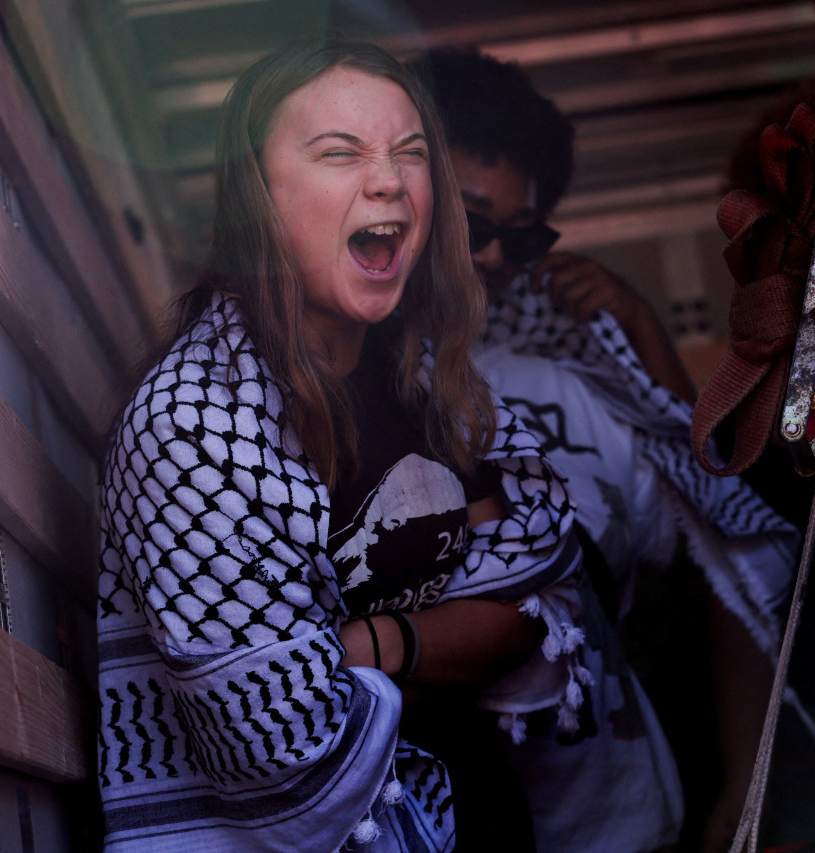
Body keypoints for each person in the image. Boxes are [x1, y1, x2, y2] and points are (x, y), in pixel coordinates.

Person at [96, 39, 587, 852]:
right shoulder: (190, 424)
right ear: (256, 192)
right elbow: (281, 738)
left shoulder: (427, 377)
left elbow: (527, 611)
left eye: (410, 152)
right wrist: (439, 643)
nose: (390, 179)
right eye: (340, 151)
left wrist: (367, 645)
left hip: (480, 816)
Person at [418, 46, 801, 853]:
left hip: (620, 802)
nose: (491, 257)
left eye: (519, 238)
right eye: (474, 222)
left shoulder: (567, 365)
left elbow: (720, 529)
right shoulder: (335, 372)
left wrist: (641, 329)